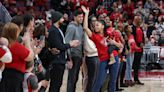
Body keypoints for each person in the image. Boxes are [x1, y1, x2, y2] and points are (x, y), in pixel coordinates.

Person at [82, 6, 123, 92]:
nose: (95, 26)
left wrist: (114, 43)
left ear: (103, 26)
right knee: (98, 82)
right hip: (103, 60)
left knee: (113, 82)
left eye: (97, 25)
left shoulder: (109, 33)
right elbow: (85, 28)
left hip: (114, 58)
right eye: (95, 25)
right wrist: (86, 14)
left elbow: (120, 46)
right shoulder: (95, 36)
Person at [48, 11, 79, 92]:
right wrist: (70, 44)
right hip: (56, 61)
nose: (63, 20)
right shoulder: (53, 30)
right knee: (55, 85)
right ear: (57, 19)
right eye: (62, 18)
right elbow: (59, 46)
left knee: (58, 84)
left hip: (60, 60)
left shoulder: (58, 29)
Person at [0, 23, 34, 92]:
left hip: (4, 74)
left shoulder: (3, 44)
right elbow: (30, 57)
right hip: (14, 76)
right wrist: (27, 43)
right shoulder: (15, 46)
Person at [65, 9, 84, 92]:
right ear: (75, 17)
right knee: (72, 78)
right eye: (79, 17)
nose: (81, 18)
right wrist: (69, 59)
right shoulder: (71, 27)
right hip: (73, 55)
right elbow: (67, 43)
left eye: (82, 17)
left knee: (75, 78)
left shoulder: (80, 27)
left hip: (79, 55)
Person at [132, 15, 144, 85]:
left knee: (137, 65)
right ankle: (130, 79)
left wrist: (143, 43)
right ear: (135, 20)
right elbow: (132, 38)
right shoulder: (132, 28)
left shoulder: (140, 28)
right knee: (133, 65)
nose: (140, 20)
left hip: (140, 48)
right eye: (138, 19)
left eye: (140, 19)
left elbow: (142, 37)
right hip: (135, 48)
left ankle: (136, 79)